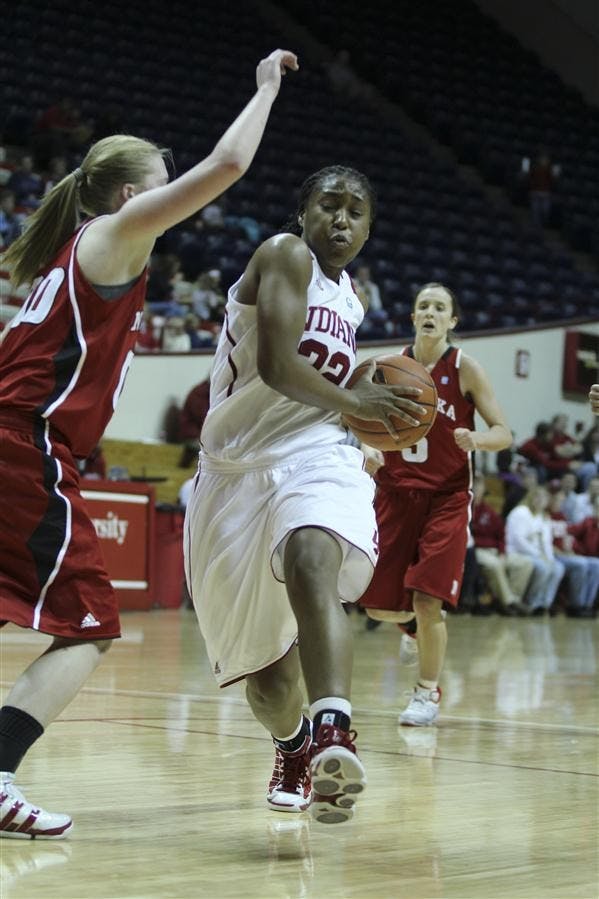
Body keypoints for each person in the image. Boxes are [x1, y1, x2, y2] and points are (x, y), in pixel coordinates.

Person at [0, 47, 299, 839]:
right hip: (24, 445)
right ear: (135, 194)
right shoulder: (113, 233)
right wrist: (264, 87)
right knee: (90, 623)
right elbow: (228, 163)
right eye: (164, 182)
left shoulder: (74, 251)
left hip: (14, 437)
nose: (173, 194)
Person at [183, 165, 426, 823]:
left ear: (368, 228)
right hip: (233, 470)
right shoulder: (284, 254)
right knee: (267, 684)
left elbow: (329, 389)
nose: (341, 219)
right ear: (304, 212)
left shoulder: (352, 297)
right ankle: (293, 745)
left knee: (312, 553)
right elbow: (277, 366)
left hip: (317, 452)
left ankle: (333, 732)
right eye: (328, 205)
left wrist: (362, 415)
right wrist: (357, 400)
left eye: (355, 211)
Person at [358, 283, 512, 726]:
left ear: (452, 320)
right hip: (394, 491)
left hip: (446, 498)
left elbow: (504, 433)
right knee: (379, 607)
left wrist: (476, 439)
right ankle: (411, 630)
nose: (430, 312)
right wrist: (368, 447)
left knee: (428, 601)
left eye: (439, 307)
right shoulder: (390, 367)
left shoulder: (465, 368)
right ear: (412, 317)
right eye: (423, 305)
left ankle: (426, 693)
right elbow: (363, 421)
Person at [471, 472, 533, 616]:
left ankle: (512, 600)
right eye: (475, 484)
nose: (477, 488)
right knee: (495, 564)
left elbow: (501, 534)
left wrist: (502, 552)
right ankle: (508, 603)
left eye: (480, 485)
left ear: (483, 489)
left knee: (525, 563)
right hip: (477, 550)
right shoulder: (464, 509)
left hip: (495, 551)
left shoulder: (489, 511)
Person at [505, 487, 565, 616]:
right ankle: (530, 602)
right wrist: (539, 555)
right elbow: (519, 541)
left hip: (537, 554)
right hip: (518, 552)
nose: (540, 500)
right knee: (543, 568)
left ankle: (544, 604)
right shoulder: (521, 512)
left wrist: (550, 558)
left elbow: (547, 543)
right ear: (531, 497)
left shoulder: (544, 517)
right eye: (537, 496)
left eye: (544, 498)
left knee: (558, 568)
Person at [548, 487, 599, 617]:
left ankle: (588, 605)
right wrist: (571, 547)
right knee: (586, 564)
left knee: (596, 565)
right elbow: (569, 533)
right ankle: (577, 605)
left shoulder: (561, 516)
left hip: (589, 557)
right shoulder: (588, 522)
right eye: (597, 507)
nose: (597, 510)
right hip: (578, 555)